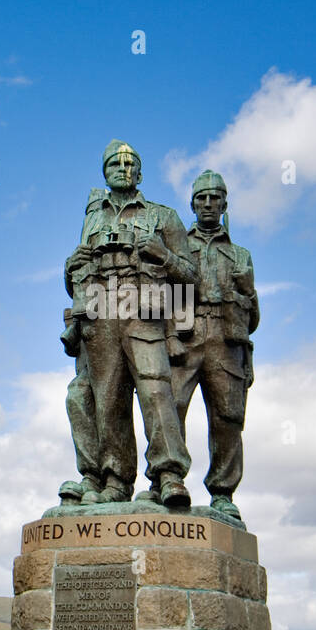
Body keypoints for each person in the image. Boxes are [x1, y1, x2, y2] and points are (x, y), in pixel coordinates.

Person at [61, 140, 196, 507]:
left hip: (143, 309)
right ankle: (116, 480)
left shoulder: (164, 216)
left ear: (140, 172)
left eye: (129, 164)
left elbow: (188, 277)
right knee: (107, 399)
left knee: (155, 391)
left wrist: (180, 332)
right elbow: (79, 272)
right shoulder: (93, 217)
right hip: (101, 311)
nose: (122, 169)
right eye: (114, 165)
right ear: (105, 172)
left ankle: (169, 475)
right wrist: (70, 267)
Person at [170, 170, 259, 521]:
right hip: (186, 335)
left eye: (214, 198)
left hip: (226, 338)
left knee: (227, 417)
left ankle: (223, 492)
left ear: (224, 204)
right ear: (192, 204)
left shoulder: (240, 255)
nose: (208, 204)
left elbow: (254, 317)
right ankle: (170, 477)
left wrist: (248, 288)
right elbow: (168, 293)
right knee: (170, 406)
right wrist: (172, 335)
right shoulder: (180, 245)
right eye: (201, 198)